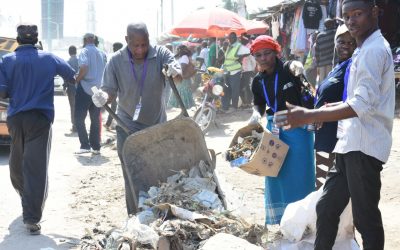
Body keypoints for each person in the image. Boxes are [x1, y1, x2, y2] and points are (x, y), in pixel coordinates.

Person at [274, 0, 395, 248]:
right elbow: (358, 97)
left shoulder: (373, 50)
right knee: (326, 207)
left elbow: (360, 105)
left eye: (358, 14)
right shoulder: (363, 48)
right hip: (349, 143)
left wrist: (310, 115)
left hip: (365, 146)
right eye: (346, 16)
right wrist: (325, 109)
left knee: (365, 219)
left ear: (374, 12)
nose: (351, 21)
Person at [91, 22, 182, 215]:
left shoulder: (160, 54)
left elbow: (178, 72)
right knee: (132, 174)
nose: (140, 49)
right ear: (127, 41)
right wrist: (103, 97)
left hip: (157, 126)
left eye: (144, 44)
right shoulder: (115, 61)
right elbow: (109, 90)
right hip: (127, 127)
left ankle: (159, 213)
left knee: (159, 171)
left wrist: (175, 72)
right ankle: (134, 214)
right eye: (135, 45)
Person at [0, 24, 75, 235]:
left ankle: (28, 199)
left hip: (15, 120)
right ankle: (31, 215)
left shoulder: (6, 61)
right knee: (35, 167)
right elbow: (71, 76)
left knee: (16, 165)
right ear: (36, 40)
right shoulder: (49, 58)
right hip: (40, 119)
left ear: (18, 39)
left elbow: (3, 93)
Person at [248, 35, 315, 225]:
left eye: (267, 53)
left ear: (276, 52)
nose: (263, 58)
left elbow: (306, 89)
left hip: (299, 129)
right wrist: (255, 115)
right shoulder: (257, 81)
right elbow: (259, 104)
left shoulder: (289, 69)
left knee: (301, 174)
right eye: (258, 55)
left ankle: (304, 220)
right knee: (276, 174)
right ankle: (282, 220)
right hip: (274, 129)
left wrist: (298, 67)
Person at [314, 24, 356, 189]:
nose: (346, 45)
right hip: (325, 133)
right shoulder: (338, 67)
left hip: (336, 134)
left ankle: (327, 214)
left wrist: (325, 110)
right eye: (341, 41)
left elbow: (354, 100)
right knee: (321, 181)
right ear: (335, 43)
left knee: (327, 183)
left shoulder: (353, 66)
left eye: (351, 42)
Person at [74, 33, 107, 155]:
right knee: (95, 118)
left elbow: (84, 67)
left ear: (85, 40)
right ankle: (96, 147)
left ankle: (84, 145)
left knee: (78, 118)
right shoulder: (102, 53)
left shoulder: (84, 51)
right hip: (98, 90)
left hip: (85, 88)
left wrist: (77, 79)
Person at [222, 32, 249, 111]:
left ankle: (234, 107)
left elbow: (248, 51)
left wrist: (240, 56)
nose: (231, 39)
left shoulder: (238, 46)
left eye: (233, 37)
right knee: (227, 89)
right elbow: (227, 58)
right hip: (227, 71)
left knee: (235, 90)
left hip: (235, 72)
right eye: (230, 38)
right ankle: (226, 107)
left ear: (236, 38)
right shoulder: (229, 46)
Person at [168, 45, 196, 109]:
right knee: (180, 95)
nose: (176, 51)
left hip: (183, 79)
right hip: (181, 79)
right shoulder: (182, 57)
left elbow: (182, 69)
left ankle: (183, 113)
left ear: (180, 50)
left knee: (182, 96)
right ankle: (182, 113)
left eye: (177, 49)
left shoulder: (184, 57)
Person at [104, 42, 123, 130]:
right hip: (120, 87)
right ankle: (110, 124)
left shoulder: (114, 58)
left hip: (116, 87)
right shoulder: (124, 58)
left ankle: (111, 124)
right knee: (115, 107)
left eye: (114, 47)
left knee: (114, 107)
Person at [315, 18, 337, 84]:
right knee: (331, 81)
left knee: (322, 82)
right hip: (332, 62)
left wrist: (318, 65)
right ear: (332, 24)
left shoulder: (319, 36)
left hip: (322, 63)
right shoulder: (335, 33)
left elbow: (317, 52)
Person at [64, 45, 79, 133]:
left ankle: (74, 125)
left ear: (69, 52)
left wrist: (65, 86)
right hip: (81, 87)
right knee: (80, 107)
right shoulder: (80, 61)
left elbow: (66, 76)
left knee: (72, 107)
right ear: (76, 51)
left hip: (71, 87)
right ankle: (80, 124)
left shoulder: (68, 62)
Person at [239, 33, 256, 108]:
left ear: (245, 39)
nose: (240, 40)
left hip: (248, 71)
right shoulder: (241, 47)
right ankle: (245, 102)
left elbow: (253, 60)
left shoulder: (250, 47)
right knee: (241, 87)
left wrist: (252, 69)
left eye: (242, 39)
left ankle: (249, 102)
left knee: (248, 87)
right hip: (242, 71)